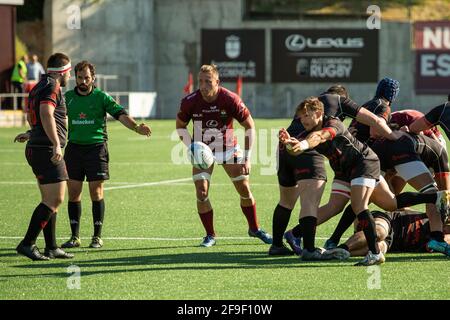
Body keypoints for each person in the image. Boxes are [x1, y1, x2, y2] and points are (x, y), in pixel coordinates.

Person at [279, 97, 449, 265]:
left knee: (359, 205)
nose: (303, 120)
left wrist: (302, 145)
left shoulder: (333, 124)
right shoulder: (306, 132)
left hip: (364, 162)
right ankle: (434, 197)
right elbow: (299, 147)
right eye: (301, 117)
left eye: (307, 115)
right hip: (344, 170)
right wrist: (289, 143)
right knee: (390, 203)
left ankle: (375, 253)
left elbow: (320, 136)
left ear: (319, 113)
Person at [270, 83, 404, 257]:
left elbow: (326, 134)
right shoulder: (337, 104)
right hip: (307, 149)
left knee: (286, 202)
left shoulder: (313, 113)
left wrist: (294, 143)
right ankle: (309, 249)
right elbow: (375, 121)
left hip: (285, 148)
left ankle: (277, 244)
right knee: (313, 203)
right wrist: (394, 135)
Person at [175, 64, 272, 247]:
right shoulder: (190, 101)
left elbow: (249, 126)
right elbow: (180, 126)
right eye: (201, 81)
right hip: (203, 152)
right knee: (201, 193)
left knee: (244, 189)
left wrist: (247, 157)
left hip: (228, 149)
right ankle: (210, 235)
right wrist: (192, 147)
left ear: (217, 82)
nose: (203, 86)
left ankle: (255, 228)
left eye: (208, 82)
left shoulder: (230, 99)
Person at [59, 61, 151, 249]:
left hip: (96, 149)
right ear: (75, 78)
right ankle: (75, 237)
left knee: (96, 192)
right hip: (74, 149)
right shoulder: (67, 97)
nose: (83, 81)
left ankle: (96, 236)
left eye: (86, 77)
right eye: (79, 77)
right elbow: (51, 118)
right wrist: (31, 132)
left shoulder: (101, 97)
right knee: (74, 193)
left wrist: (136, 128)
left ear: (93, 78)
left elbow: (120, 114)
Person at [14, 53, 74, 261]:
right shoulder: (52, 86)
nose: (70, 77)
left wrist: (31, 133)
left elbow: (37, 118)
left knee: (49, 200)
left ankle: (51, 246)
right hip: (46, 150)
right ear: (62, 72)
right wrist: (57, 144)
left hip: (37, 146)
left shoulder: (39, 85)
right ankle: (27, 243)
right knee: (55, 198)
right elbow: (46, 113)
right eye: (69, 73)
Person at [324, 209, 450, 259]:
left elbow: (433, 246)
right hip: (389, 220)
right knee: (380, 232)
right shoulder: (435, 218)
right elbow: (401, 208)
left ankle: (332, 254)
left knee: (378, 248)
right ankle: (342, 248)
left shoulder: (443, 241)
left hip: (392, 244)